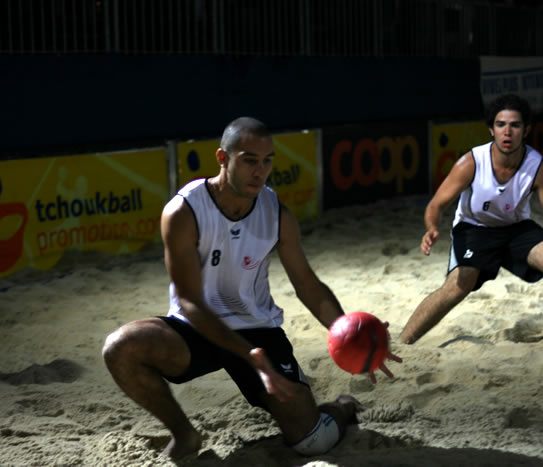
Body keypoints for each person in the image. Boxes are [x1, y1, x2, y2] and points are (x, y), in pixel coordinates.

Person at [102, 117, 401, 459]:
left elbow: (306, 283)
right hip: (197, 327)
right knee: (120, 348)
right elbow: (190, 301)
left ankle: (342, 407)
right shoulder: (184, 211)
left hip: (257, 329)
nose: (260, 171)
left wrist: (352, 336)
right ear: (222, 158)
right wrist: (248, 355)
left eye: (267, 161)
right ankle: (184, 433)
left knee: (312, 442)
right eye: (249, 161)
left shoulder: (276, 214)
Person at [400, 94, 543, 345]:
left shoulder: (538, 167)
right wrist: (431, 227)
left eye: (515, 125)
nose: (507, 132)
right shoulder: (471, 162)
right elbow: (436, 204)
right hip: (474, 228)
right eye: (501, 125)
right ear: (491, 130)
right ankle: (403, 342)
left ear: (526, 130)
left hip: (515, 228)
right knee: (458, 285)